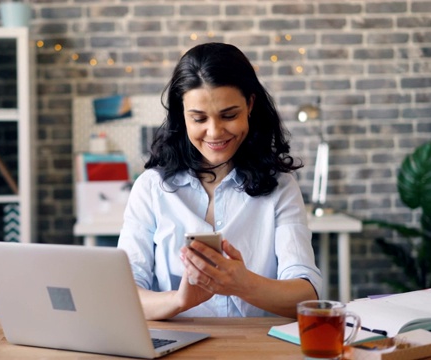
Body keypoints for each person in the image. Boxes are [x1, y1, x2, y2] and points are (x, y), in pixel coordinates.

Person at [117, 42, 322, 320]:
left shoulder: (280, 187)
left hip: (257, 346)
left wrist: (242, 284)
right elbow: (124, 296)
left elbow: (306, 295)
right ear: (182, 114)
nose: (214, 132)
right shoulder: (151, 188)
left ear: (250, 105)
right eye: (199, 118)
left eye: (229, 115)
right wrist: (180, 300)